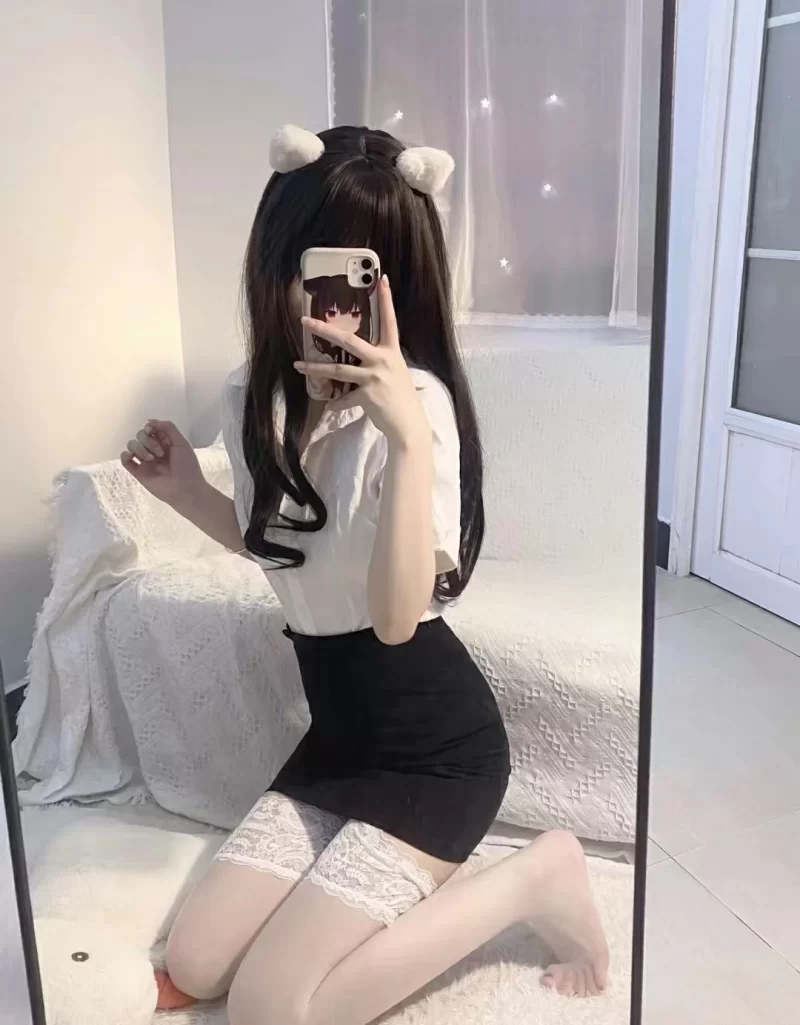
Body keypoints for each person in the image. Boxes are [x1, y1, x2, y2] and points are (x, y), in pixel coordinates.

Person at [121, 124, 609, 1024]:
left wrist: (407, 441)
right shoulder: (252, 395)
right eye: (321, 268)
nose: (335, 305)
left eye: (363, 275)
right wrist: (186, 492)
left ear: (398, 282)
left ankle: (537, 874)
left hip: (439, 753)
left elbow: (393, 619)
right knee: (195, 960)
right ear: (279, 262)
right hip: (340, 740)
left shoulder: (418, 410)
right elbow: (282, 551)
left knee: (272, 1007)